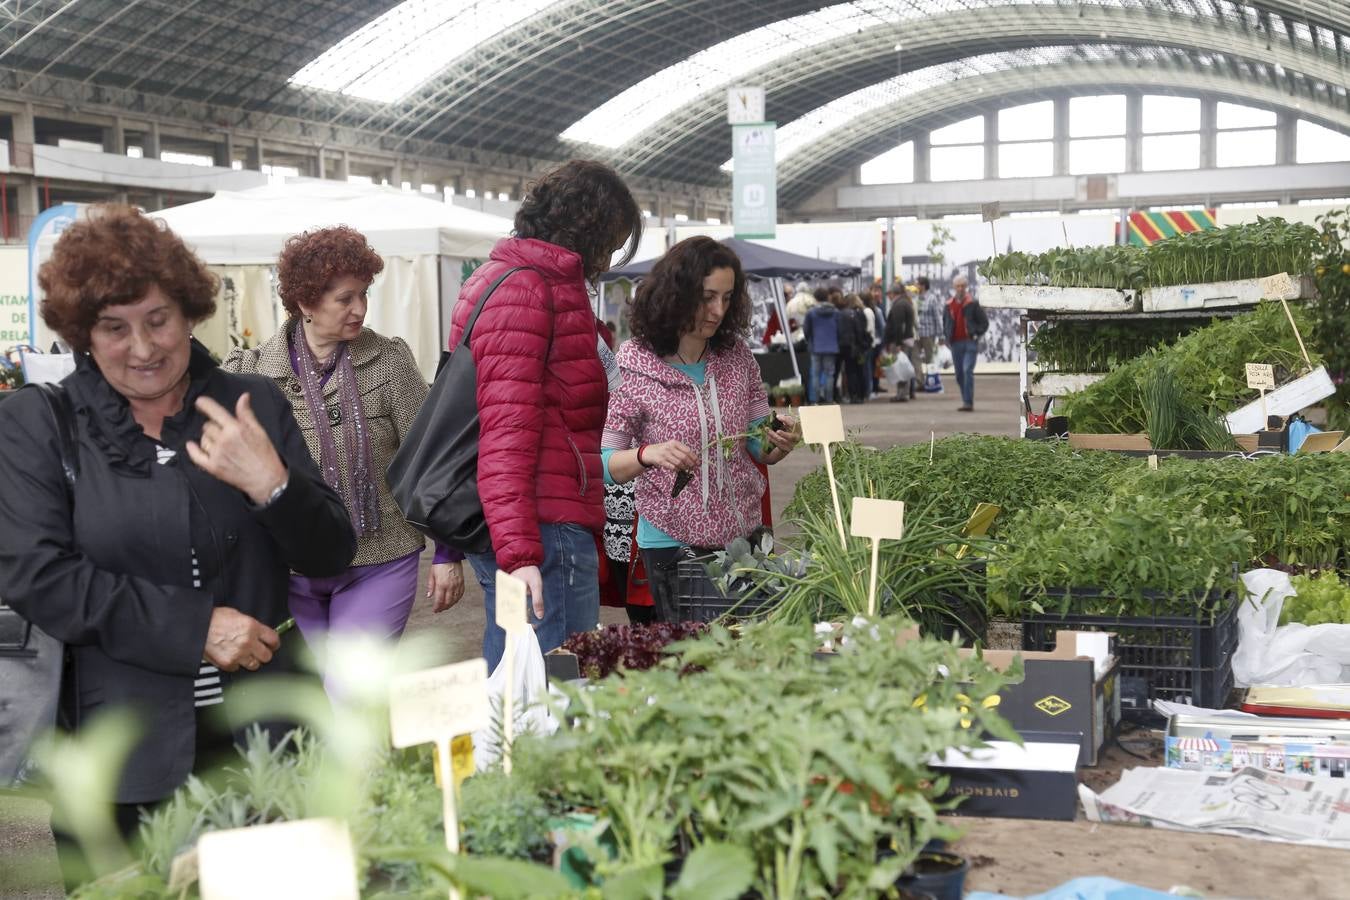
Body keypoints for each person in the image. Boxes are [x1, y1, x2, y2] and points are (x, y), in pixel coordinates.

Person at [0, 206, 356, 886]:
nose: (142, 347)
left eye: (157, 319)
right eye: (114, 327)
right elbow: (38, 575)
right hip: (122, 761)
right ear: (83, 333)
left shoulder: (251, 405)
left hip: (268, 742)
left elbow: (331, 553)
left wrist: (274, 486)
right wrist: (196, 628)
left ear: (190, 312)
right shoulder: (37, 425)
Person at [223, 226, 465, 688]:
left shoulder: (389, 361)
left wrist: (446, 552)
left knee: (350, 692)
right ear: (305, 303)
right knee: (313, 704)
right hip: (290, 570)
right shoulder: (252, 372)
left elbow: (431, 457)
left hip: (381, 558)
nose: (360, 309)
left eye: (364, 295)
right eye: (345, 299)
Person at [449, 159, 643, 670]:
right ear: (589, 227)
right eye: (612, 239)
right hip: (543, 523)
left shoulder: (508, 276)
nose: (609, 255)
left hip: (533, 518)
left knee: (519, 683)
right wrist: (520, 554)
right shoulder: (530, 288)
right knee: (552, 690)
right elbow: (505, 430)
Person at [602, 237, 798, 622]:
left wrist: (778, 441)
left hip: (744, 542)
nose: (718, 310)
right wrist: (648, 454)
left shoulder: (737, 355)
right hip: (672, 546)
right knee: (696, 666)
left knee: (746, 660)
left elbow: (760, 447)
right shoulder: (635, 361)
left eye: (727, 298)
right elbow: (606, 462)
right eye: (708, 297)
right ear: (677, 293)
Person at [944, 273, 989, 411]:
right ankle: (965, 399)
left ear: (966, 287)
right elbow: (945, 322)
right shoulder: (948, 305)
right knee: (959, 374)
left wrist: (976, 333)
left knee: (967, 370)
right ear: (954, 287)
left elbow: (984, 323)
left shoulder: (973, 303)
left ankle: (968, 402)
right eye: (958, 286)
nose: (960, 288)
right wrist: (946, 336)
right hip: (955, 343)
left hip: (970, 342)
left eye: (963, 286)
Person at [802, 286, 839, 404]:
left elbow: (806, 330)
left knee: (815, 374)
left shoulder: (811, 313)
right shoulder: (835, 312)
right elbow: (840, 329)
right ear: (827, 297)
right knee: (829, 374)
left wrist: (809, 340)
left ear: (815, 298)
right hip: (831, 346)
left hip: (816, 347)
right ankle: (829, 399)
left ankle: (815, 400)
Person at [884, 282, 917, 402]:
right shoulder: (905, 302)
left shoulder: (899, 305)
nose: (888, 296)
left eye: (889, 293)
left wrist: (898, 343)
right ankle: (907, 392)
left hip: (900, 341)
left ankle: (902, 394)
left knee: (901, 367)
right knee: (905, 365)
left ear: (893, 293)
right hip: (906, 339)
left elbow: (899, 326)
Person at [915, 275, 944, 371]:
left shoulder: (932, 298)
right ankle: (919, 383)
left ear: (923, 286)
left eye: (917, 284)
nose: (915, 286)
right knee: (915, 359)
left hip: (928, 334)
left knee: (929, 360)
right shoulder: (915, 298)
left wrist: (941, 335)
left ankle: (931, 381)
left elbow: (937, 317)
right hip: (916, 335)